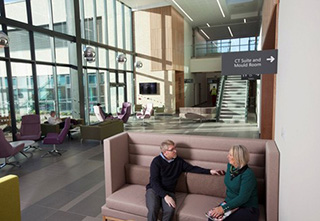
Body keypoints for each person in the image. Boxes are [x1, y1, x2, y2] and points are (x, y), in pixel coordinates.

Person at [146, 140, 225, 221]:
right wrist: (165, 196)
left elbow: (193, 168)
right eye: (172, 149)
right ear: (165, 152)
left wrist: (210, 171)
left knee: (170, 210)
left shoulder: (179, 161)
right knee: (153, 209)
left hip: (169, 191)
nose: (175, 151)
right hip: (154, 189)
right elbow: (154, 181)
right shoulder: (156, 161)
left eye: (175, 148)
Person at [208, 145, 259, 221]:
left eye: (230, 155)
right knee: (211, 218)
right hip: (231, 202)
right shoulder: (230, 166)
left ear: (238, 157)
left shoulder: (248, 174)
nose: (227, 156)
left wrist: (223, 208)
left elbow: (242, 198)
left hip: (247, 207)